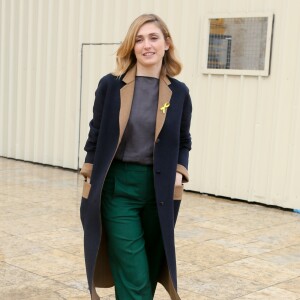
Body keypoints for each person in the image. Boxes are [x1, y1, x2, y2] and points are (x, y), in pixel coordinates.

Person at [80, 13, 192, 300]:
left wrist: (180, 172)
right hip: (118, 188)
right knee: (134, 274)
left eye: (153, 38)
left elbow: (183, 140)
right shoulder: (111, 85)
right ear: (132, 47)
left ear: (167, 43)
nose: (146, 45)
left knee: (150, 270)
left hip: (160, 192)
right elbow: (96, 130)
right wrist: (89, 172)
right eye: (139, 40)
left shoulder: (178, 93)